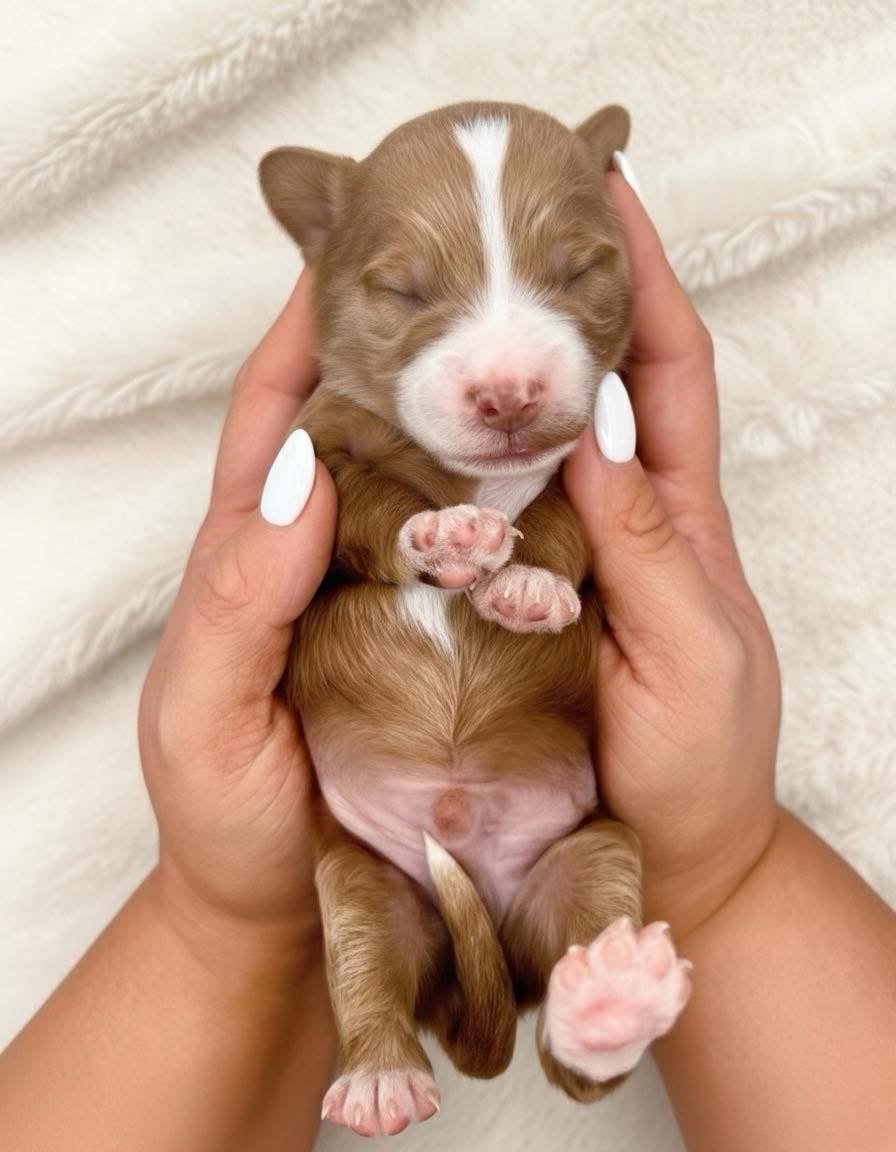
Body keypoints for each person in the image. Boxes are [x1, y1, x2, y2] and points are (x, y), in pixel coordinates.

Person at [1, 161, 894, 1152]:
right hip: (374, 834)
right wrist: (725, 868)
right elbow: (345, 510)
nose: (501, 378)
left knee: (600, 878)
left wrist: (221, 924)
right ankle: (381, 1041)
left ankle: (586, 1042)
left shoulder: (559, 447)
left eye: (554, 284)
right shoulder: (348, 414)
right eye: (413, 294)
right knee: (357, 895)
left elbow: (570, 531)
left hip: (547, 827)